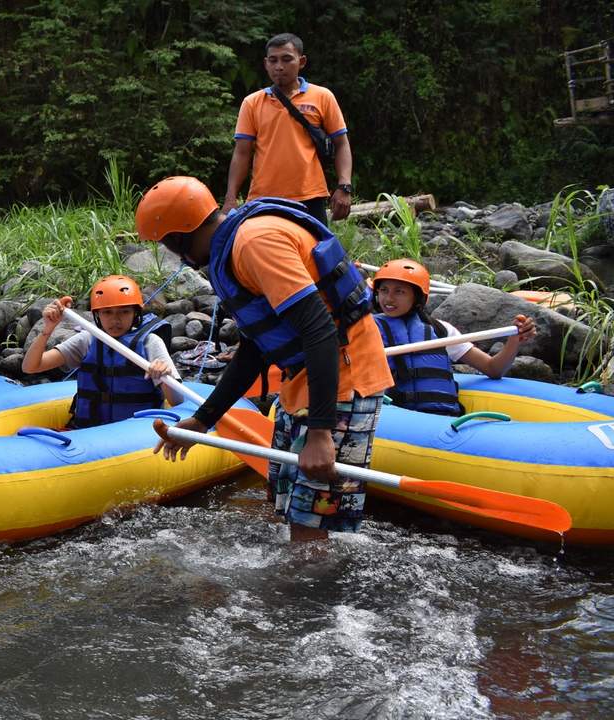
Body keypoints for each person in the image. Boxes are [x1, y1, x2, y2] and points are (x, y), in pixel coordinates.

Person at [139, 176, 392, 539]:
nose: (179, 258)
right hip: (303, 378)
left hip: (343, 377)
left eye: (169, 245)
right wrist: (203, 420)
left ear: (181, 237)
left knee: (308, 527)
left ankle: (314, 577)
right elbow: (255, 348)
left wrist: (321, 432)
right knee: (286, 509)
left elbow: (319, 328)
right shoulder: (233, 248)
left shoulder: (255, 243)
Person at [372, 258, 537, 415]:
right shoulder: (367, 329)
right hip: (393, 417)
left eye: (399, 291)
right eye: (384, 290)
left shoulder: (441, 331)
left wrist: (514, 341)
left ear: (417, 297)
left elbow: (493, 369)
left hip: (441, 417)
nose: (389, 298)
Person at [223, 32, 353, 226]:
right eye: (273, 60)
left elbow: (341, 144)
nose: (279, 66)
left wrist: (344, 186)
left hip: (310, 197)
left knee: (315, 245)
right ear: (266, 63)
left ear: (302, 62)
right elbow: (242, 153)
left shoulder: (322, 97)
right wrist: (230, 197)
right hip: (264, 199)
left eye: (286, 59)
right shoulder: (252, 103)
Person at [21, 275, 183, 428]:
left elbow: (177, 401)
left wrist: (164, 375)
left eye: (124, 311)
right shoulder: (87, 340)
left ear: (135, 313)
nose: (115, 320)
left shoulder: (150, 342)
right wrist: (48, 329)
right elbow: (30, 367)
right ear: (97, 314)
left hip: (136, 434)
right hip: (89, 432)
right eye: (107, 312)